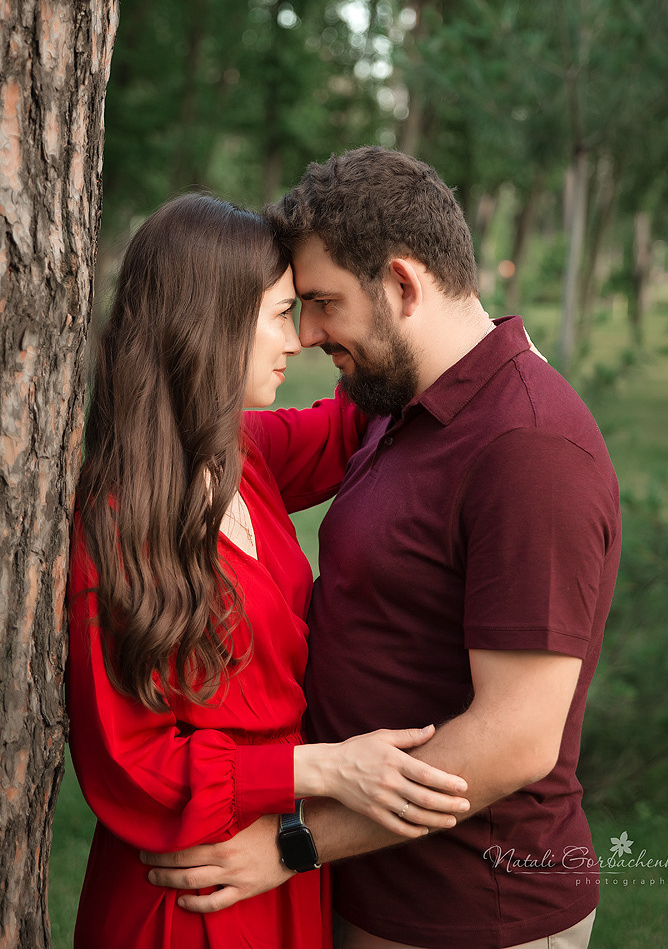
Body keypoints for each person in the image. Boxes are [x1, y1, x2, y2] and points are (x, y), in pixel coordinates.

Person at [143, 152, 621, 949]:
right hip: (371, 888)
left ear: (402, 285)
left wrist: (295, 842)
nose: (311, 333)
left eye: (324, 304)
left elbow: (516, 737)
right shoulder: (399, 407)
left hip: (470, 908)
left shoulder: (527, 448)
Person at [66, 193, 471, 949]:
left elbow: (366, 413)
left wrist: (492, 363)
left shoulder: (242, 456)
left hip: (279, 861)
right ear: (212, 323)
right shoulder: (117, 519)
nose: (303, 339)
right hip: (191, 887)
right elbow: (129, 762)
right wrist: (321, 771)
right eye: (284, 313)